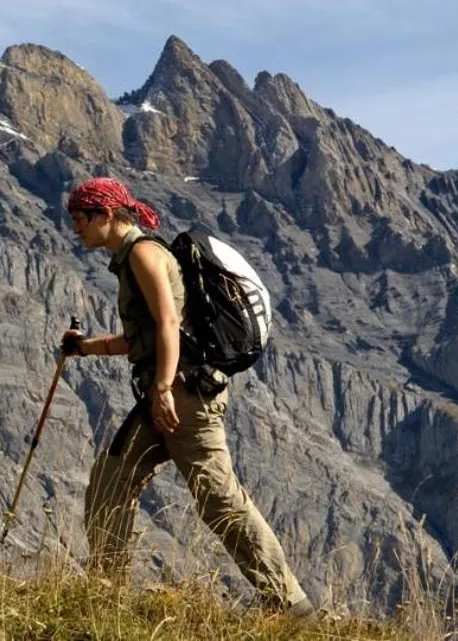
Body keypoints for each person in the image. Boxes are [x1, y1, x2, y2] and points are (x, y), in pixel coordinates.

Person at [60, 176, 314, 616]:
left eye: (80, 219)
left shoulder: (143, 253)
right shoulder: (132, 256)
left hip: (184, 396)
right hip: (171, 392)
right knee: (112, 478)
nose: (76, 229)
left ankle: (290, 606)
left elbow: (167, 326)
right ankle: (104, 595)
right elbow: (142, 335)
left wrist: (161, 389)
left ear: (106, 215)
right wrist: (85, 348)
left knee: (218, 498)